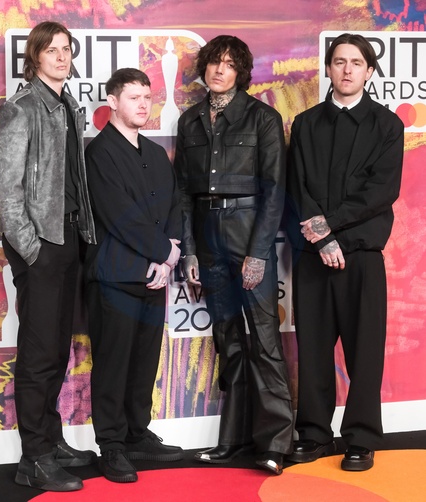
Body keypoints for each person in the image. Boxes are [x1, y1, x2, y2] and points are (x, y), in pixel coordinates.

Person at [174, 35, 294, 475]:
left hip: (248, 235)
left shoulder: (263, 118)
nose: (219, 70)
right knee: (228, 341)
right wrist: (189, 253)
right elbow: (183, 194)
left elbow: (275, 191)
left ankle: (275, 444)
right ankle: (234, 441)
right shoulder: (190, 121)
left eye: (228, 63)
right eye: (213, 62)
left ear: (241, 72)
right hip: (207, 239)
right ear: (204, 68)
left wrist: (258, 253)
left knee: (263, 340)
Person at [286, 33, 404, 471]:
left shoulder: (387, 125)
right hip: (314, 254)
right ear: (328, 68)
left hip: (362, 257)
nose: (347, 69)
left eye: (356, 62)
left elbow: (380, 192)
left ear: (369, 71)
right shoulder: (305, 124)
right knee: (313, 348)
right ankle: (314, 433)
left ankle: (361, 437)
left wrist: (332, 228)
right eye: (339, 61)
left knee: (364, 351)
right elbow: (297, 187)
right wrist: (322, 239)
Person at [0, 21, 98, 492]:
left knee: (57, 348)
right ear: (34, 56)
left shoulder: (68, 105)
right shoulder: (21, 108)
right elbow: (7, 189)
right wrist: (31, 249)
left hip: (68, 237)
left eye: (66, 49)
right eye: (52, 50)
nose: (61, 57)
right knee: (38, 354)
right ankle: (33, 457)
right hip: (41, 245)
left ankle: (51, 441)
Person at [84, 68, 183, 484]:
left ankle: (137, 434)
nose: (143, 104)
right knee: (113, 363)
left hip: (155, 276)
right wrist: (163, 252)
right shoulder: (99, 153)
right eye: (133, 97)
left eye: (147, 96)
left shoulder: (156, 154)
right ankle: (111, 445)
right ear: (112, 102)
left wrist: (169, 257)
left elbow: (174, 205)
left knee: (144, 361)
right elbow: (119, 215)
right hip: (116, 276)